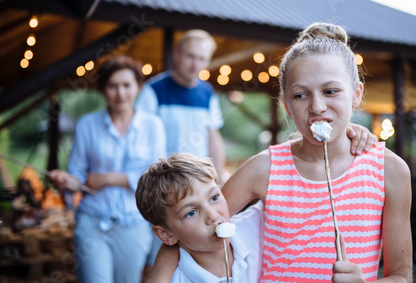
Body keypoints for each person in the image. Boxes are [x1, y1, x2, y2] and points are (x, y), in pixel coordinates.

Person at [221, 22, 413, 282]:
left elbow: (401, 275)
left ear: (356, 95)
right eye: (301, 96)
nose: (317, 106)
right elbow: (195, 226)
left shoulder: (390, 171)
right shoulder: (263, 168)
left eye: (330, 91)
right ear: (287, 105)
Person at [50, 56, 167, 283]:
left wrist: (107, 178)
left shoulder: (153, 126)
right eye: (113, 86)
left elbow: (156, 178)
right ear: (103, 89)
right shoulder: (87, 124)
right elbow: (78, 177)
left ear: (138, 87)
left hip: (134, 224)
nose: (120, 93)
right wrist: (65, 182)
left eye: (126, 85)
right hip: (92, 221)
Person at [135, 153, 264, 282]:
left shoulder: (256, 226)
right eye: (191, 213)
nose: (213, 215)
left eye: (214, 198)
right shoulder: (175, 279)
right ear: (166, 234)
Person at [135, 29, 230, 183]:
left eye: (202, 59)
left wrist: (220, 176)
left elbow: (213, 138)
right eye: (190, 56)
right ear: (176, 54)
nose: (195, 65)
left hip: (198, 178)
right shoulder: (153, 90)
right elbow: (140, 137)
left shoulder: (208, 93)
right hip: (163, 180)